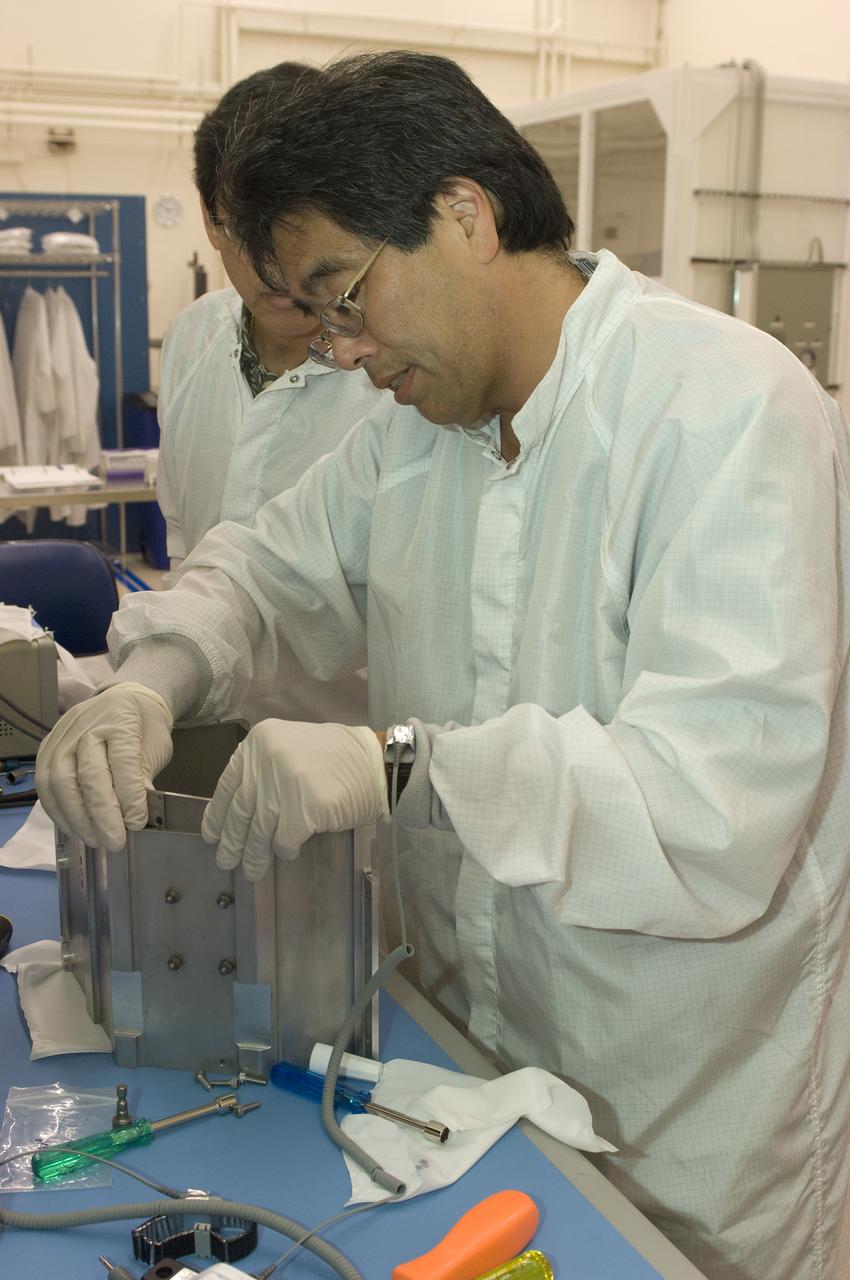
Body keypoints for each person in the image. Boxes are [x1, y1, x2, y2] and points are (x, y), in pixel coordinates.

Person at [36, 50, 850, 1280]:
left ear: (463, 215)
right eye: (314, 317)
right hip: (465, 1077)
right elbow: (259, 565)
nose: (342, 350)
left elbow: (712, 804)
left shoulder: (722, 413)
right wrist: (152, 682)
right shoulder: (417, 436)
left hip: (679, 1118)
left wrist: (399, 764)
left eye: (345, 295)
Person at [156, 60, 383, 724]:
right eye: (249, 231)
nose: (282, 270)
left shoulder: (395, 371)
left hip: (353, 761)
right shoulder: (193, 339)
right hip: (202, 732)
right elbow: (182, 535)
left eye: (301, 228)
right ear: (209, 219)